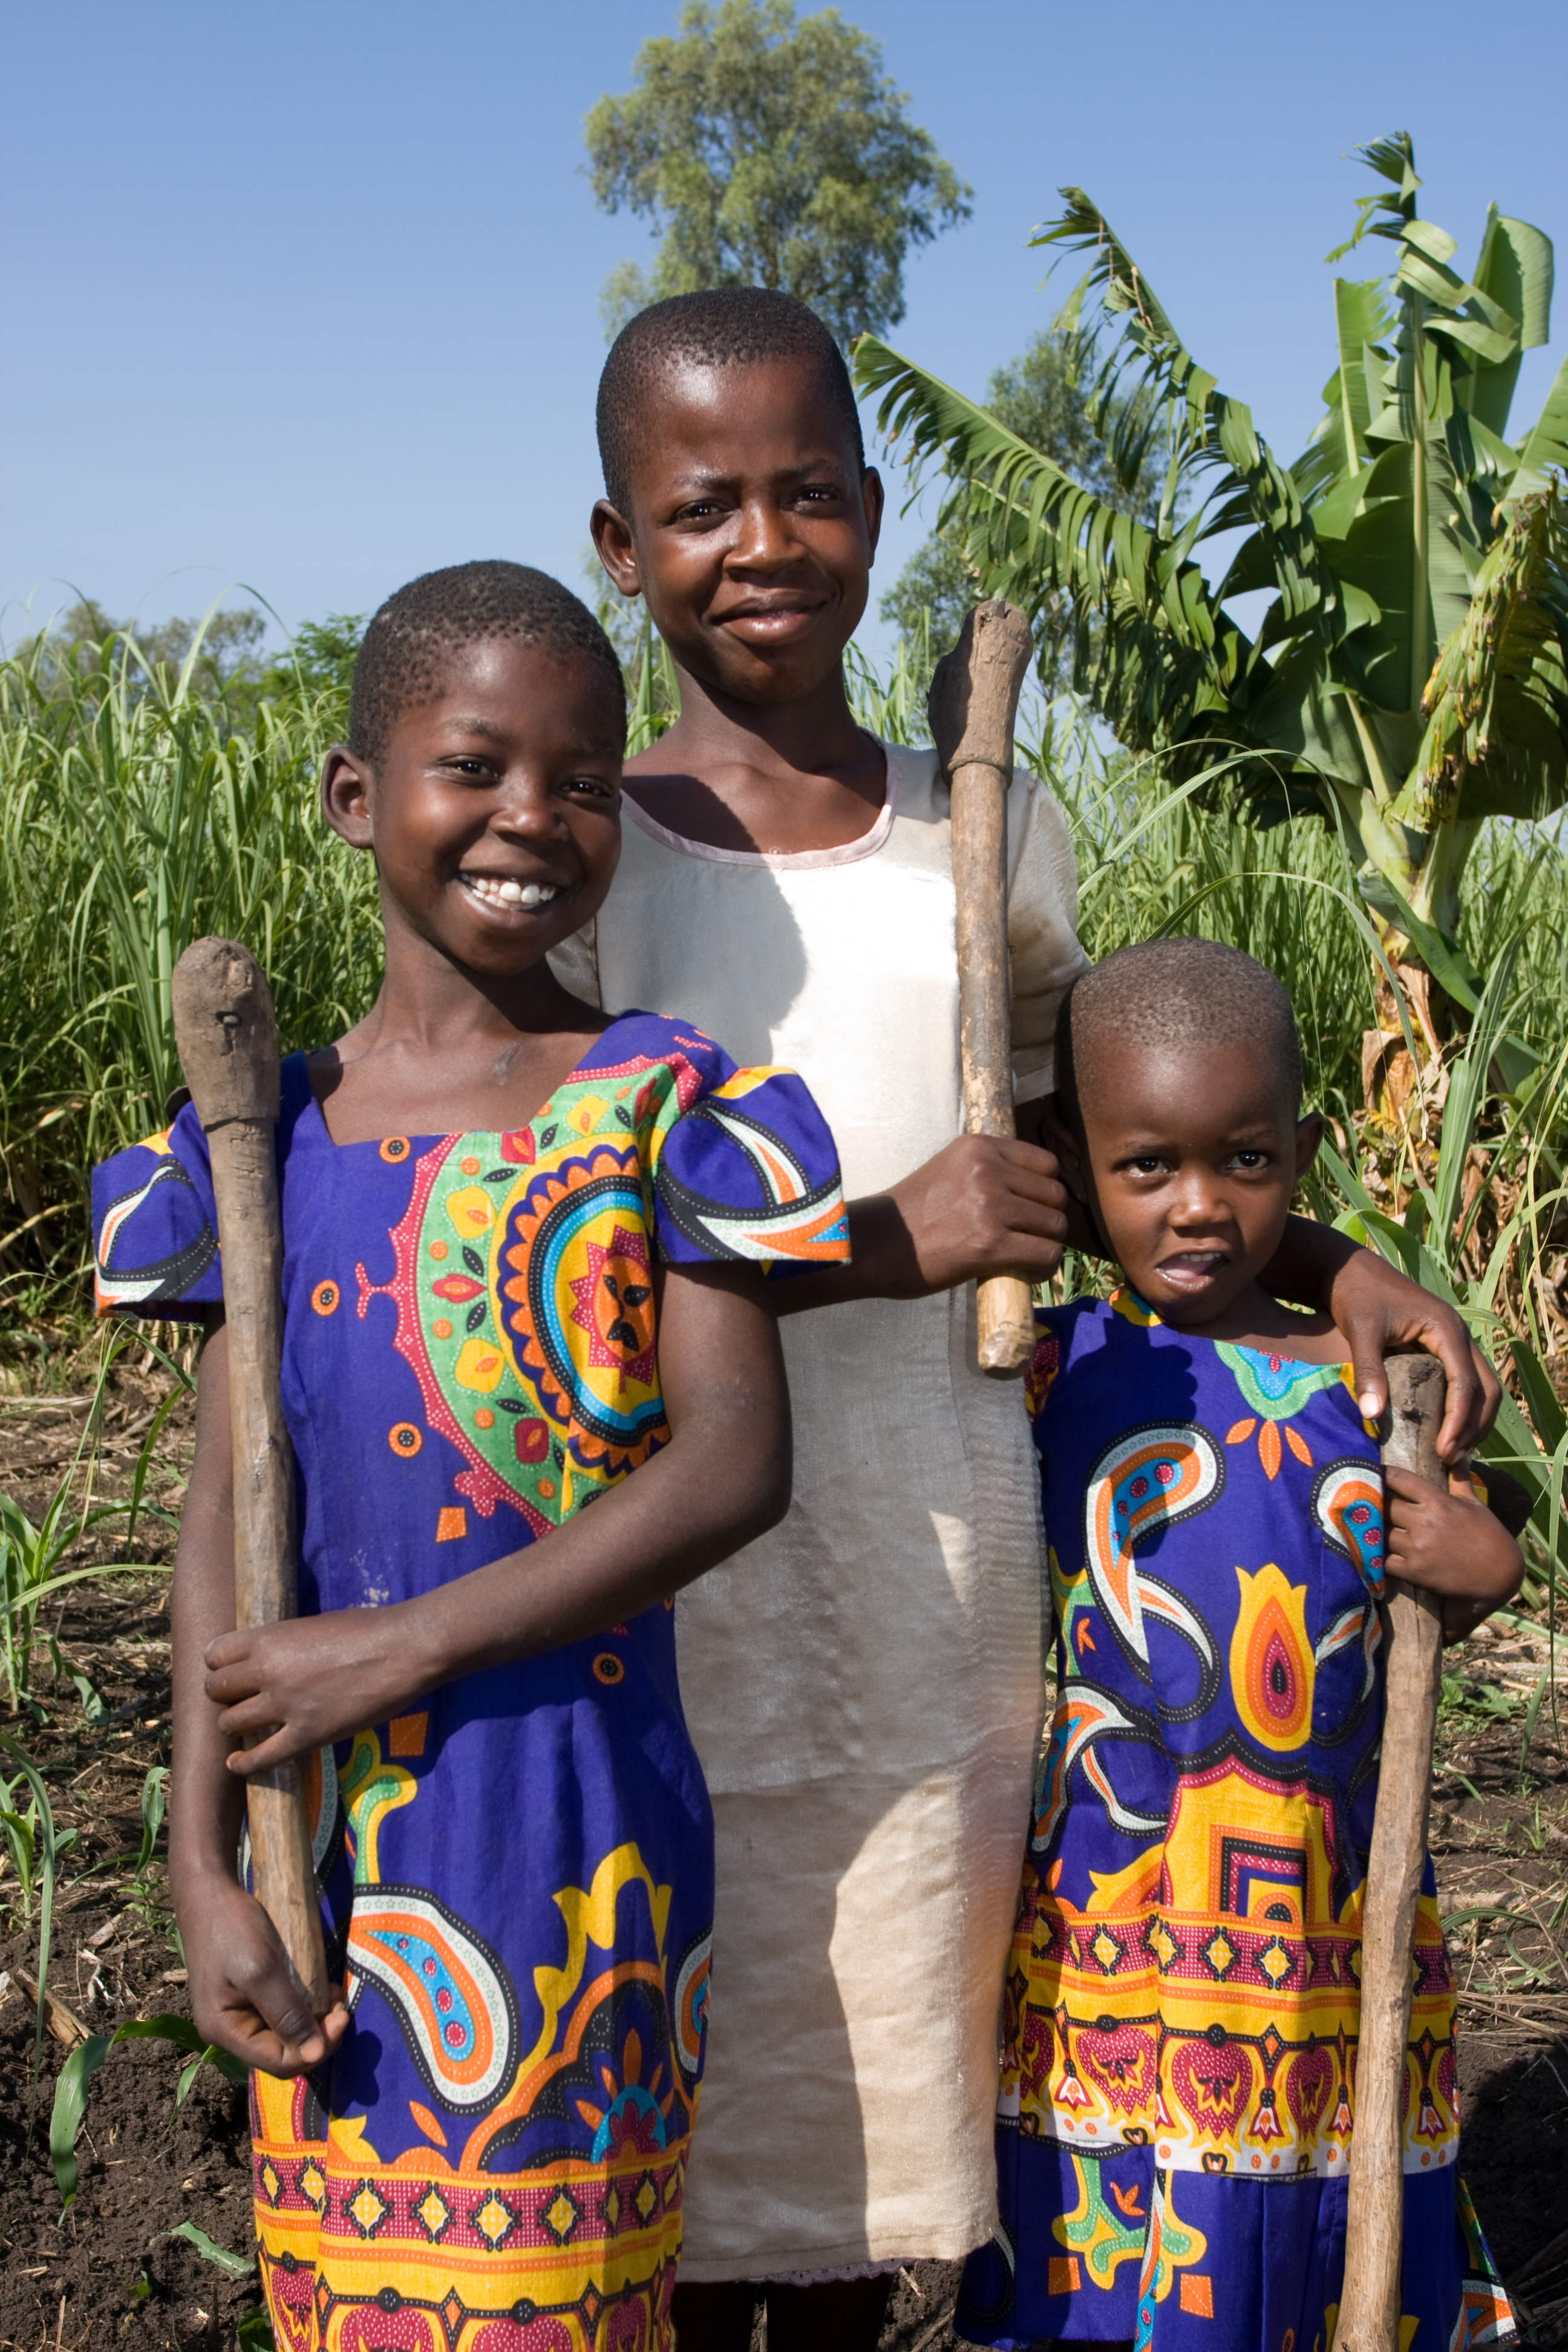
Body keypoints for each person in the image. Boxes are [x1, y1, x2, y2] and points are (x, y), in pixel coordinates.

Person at [563, 287, 1503, 2351]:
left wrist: (1339, 1264)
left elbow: (1119, 1146)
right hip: (664, 1573)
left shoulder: (972, 837)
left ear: (876, 514)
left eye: (808, 490)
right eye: (701, 504)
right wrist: (876, 1239)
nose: (762, 542)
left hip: (942, 1580)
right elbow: (532, 1222)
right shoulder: (583, 853)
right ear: (621, 548)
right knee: (677, 2075)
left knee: (880, 2108)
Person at [90, 561, 849, 2352]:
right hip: (317, 1861)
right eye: (478, 768)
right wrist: (202, 1864)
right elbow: (223, 1516)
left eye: (582, 783)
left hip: (572, 1840)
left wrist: (404, 1643)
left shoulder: (667, 1105)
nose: (532, 819)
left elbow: (735, 1464)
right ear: (360, 799)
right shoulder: (250, 1140)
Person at [954, 938, 1520, 2352]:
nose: (1201, 1207)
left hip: (1332, 1902)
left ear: (1303, 1154)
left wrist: (1485, 1565)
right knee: (1114, 2218)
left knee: (1329, 2219)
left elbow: (1462, 1543)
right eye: (1148, 1168)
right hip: (1111, 1888)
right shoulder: (1056, 1363)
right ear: (1082, 1174)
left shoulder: (1375, 1382)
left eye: (1247, 1162)